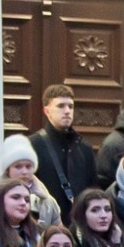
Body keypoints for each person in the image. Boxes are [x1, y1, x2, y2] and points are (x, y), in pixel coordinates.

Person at [31, 84, 97, 218]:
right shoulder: (33, 145)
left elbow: (93, 189)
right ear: (47, 111)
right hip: (45, 224)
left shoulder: (84, 147)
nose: (67, 111)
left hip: (80, 225)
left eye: (70, 106)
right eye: (61, 106)